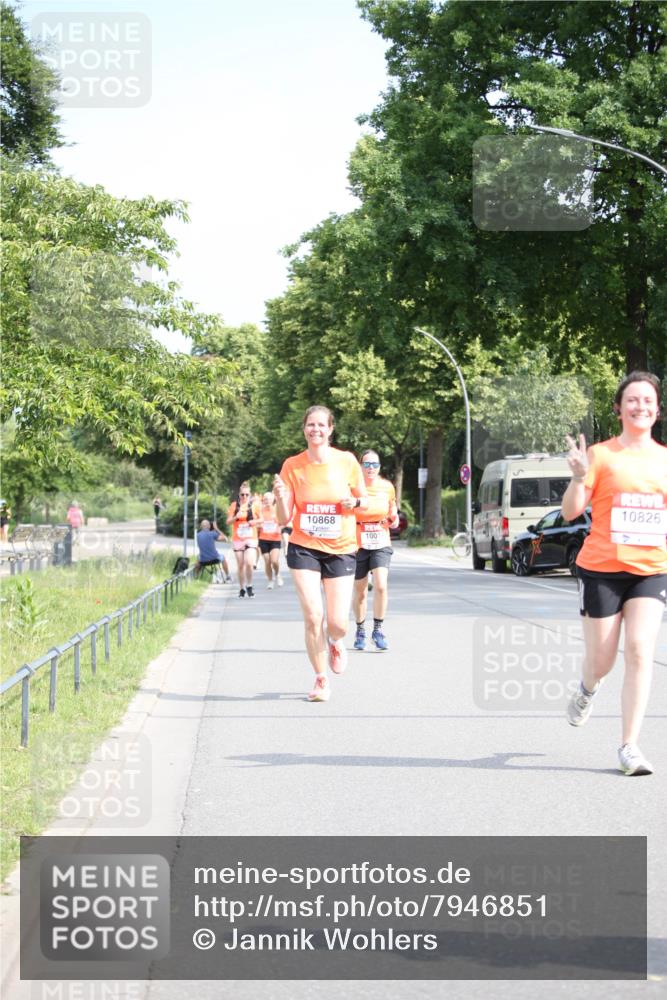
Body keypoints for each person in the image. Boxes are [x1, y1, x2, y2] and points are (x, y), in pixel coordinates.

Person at [562, 371, 667, 776]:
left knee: (641, 650)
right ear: (619, 408)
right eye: (633, 400)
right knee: (602, 662)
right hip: (601, 570)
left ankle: (630, 746)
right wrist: (576, 475)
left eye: (648, 401)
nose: (641, 406)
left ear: (657, 410)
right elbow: (572, 511)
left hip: (651, 570)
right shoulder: (601, 456)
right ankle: (588, 688)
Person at [273, 405, 367, 702]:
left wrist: (354, 503)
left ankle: (337, 641)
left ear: (330, 429)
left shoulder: (347, 461)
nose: (315, 430)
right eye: (310, 425)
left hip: (340, 547)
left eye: (321, 425)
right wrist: (278, 497)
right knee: (314, 616)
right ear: (304, 429)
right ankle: (320, 678)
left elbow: (362, 500)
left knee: (336, 622)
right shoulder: (292, 465)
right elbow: (283, 518)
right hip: (304, 547)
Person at [352, 449, 399, 651]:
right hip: (357, 542)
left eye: (375, 465)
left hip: (381, 539)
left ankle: (378, 630)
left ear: (379, 467)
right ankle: (360, 630)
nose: (371, 468)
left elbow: (393, 512)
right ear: (360, 466)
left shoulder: (387, 487)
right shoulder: (352, 487)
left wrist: (394, 518)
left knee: (380, 585)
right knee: (361, 592)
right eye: (367, 464)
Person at [226, 483, 262, 598]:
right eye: (242, 494)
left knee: (249, 563)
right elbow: (228, 522)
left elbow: (262, 519)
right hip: (238, 539)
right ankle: (241, 588)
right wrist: (236, 517)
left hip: (251, 537)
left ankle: (249, 585)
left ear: (250, 494)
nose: (245, 497)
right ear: (239, 494)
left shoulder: (254, 506)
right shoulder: (234, 505)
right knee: (240, 565)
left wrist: (254, 522)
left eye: (247, 494)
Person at [259, 492, 283, 589]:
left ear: (273, 500)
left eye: (269, 499)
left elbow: (285, 522)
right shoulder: (260, 511)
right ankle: (270, 580)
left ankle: (277, 575)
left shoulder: (277, 510)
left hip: (275, 539)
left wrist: (280, 528)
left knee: (274, 561)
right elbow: (256, 522)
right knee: (267, 561)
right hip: (263, 539)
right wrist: (258, 525)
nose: (267, 501)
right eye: (265, 499)